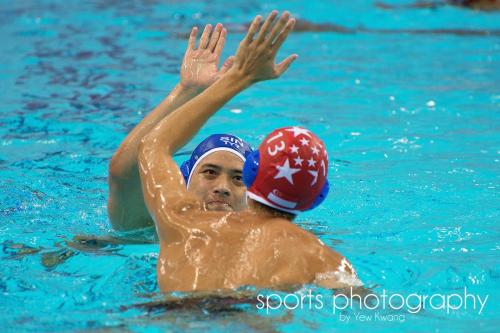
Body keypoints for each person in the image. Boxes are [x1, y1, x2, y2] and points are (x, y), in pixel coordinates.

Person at [138, 10, 362, 292]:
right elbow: (370, 308)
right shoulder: (320, 257)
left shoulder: (180, 220)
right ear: (317, 198)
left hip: (172, 317)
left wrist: (241, 77)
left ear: (252, 171)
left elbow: (152, 144)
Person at [108, 22, 253, 232]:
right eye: (210, 172)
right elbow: (124, 173)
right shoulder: (153, 231)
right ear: (184, 181)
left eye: (238, 179)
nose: (222, 188)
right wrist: (188, 91)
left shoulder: (271, 242)